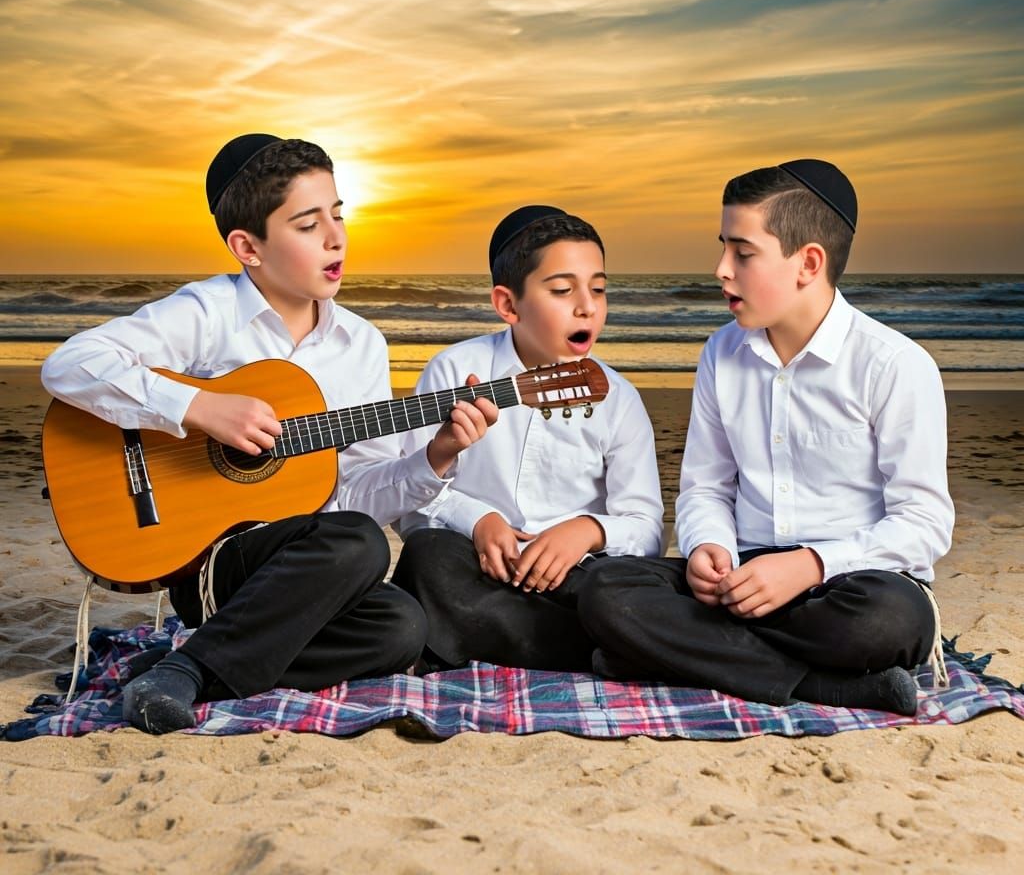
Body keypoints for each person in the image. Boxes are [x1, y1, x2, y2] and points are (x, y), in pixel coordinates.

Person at [41, 133, 498, 733]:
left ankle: (186, 666)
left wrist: (436, 456)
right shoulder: (206, 312)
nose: (336, 238)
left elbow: (354, 489)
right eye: (308, 225)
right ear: (247, 246)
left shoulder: (362, 344)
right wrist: (199, 406)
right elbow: (70, 364)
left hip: (303, 571)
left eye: (338, 216)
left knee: (401, 627)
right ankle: (202, 665)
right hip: (210, 561)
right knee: (359, 542)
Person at [577, 160, 954, 715]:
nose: (721, 269)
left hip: (848, 585)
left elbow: (923, 526)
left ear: (808, 263)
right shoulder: (720, 353)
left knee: (891, 617)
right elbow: (706, 489)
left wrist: (809, 565)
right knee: (606, 591)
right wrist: (711, 547)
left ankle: (680, 657)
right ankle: (826, 688)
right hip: (741, 582)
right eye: (722, 248)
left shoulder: (894, 365)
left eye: (743, 252)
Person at [386, 206, 664, 672]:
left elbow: (648, 528)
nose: (587, 306)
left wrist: (589, 532)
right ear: (508, 304)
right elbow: (411, 499)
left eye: (598, 288)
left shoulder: (620, 397)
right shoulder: (454, 371)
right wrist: (477, 520)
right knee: (426, 555)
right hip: (480, 568)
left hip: (577, 577)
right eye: (562, 290)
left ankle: (486, 643)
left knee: (619, 589)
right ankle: (580, 651)